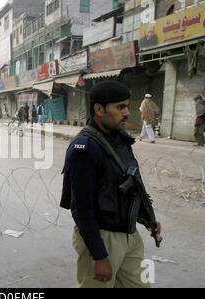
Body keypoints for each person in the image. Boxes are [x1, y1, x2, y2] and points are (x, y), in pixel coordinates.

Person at [61, 80, 162, 288]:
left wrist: (146, 217)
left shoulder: (119, 139)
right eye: (120, 107)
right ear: (99, 109)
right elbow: (82, 209)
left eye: (127, 107)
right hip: (102, 237)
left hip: (129, 234)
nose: (126, 113)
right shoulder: (85, 149)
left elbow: (129, 183)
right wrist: (99, 256)